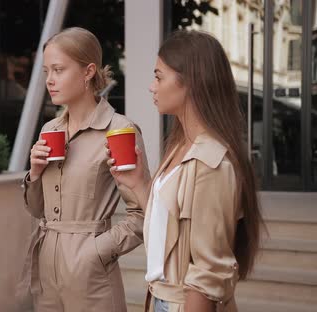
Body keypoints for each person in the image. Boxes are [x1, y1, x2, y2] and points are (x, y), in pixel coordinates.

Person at [108, 30, 264, 312]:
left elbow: (207, 274)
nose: (152, 87)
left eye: (159, 76)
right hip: (160, 298)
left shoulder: (211, 162)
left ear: (190, 82)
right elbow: (167, 232)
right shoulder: (182, 144)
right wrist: (140, 183)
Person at [21, 27, 150, 312]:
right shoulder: (50, 129)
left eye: (58, 70)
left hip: (91, 273)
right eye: (46, 72)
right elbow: (36, 209)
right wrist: (35, 173)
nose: (50, 81)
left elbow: (143, 213)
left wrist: (96, 252)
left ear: (88, 71)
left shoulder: (119, 130)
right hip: (46, 271)